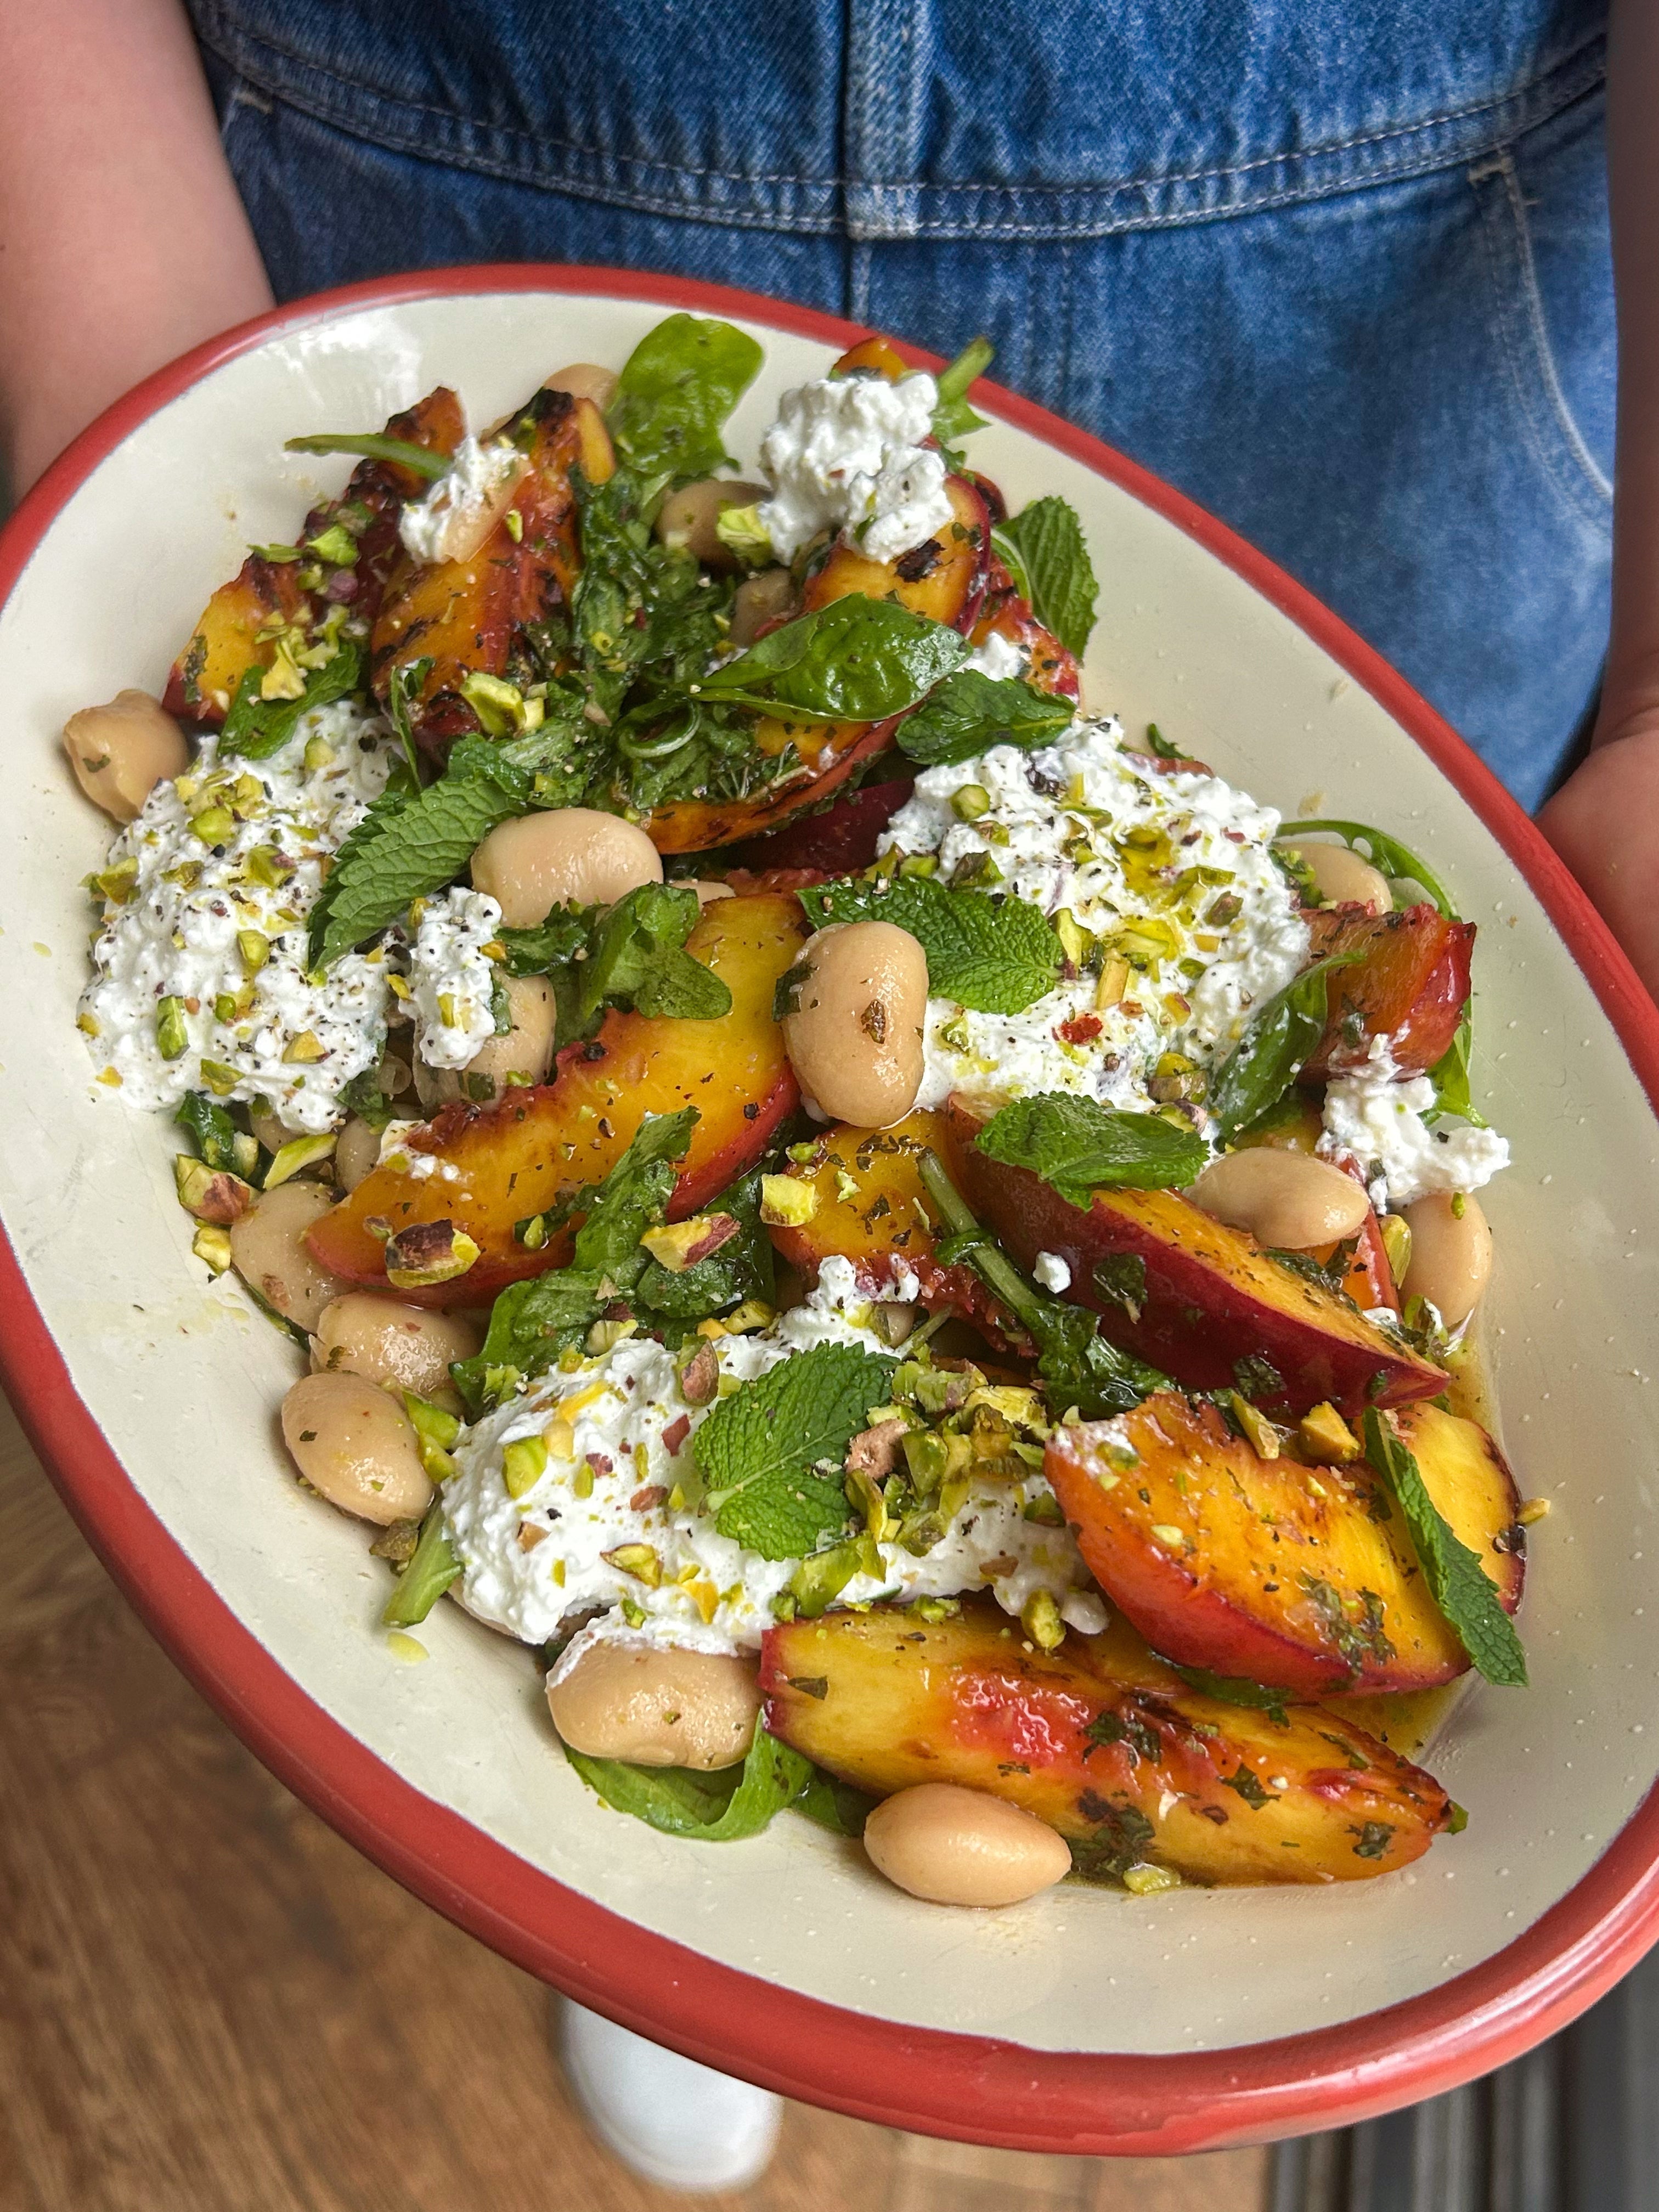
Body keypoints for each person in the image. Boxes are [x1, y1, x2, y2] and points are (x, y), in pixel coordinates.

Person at [1, 0, 1649, 2188]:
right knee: (633, 1632)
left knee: (803, 1597)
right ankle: (656, 1926)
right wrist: (135, 366)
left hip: (1397, 389)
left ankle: (720, 1916)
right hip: (391, 174)